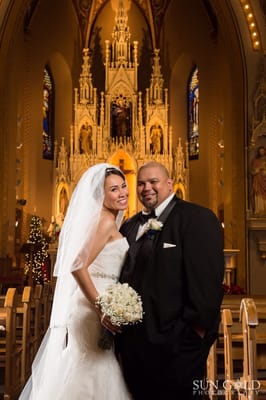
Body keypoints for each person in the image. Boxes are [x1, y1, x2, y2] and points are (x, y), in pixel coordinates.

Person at [19, 163, 132, 400]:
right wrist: (101, 305)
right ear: (101, 195)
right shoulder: (105, 221)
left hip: (92, 303)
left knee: (87, 366)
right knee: (95, 368)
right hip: (93, 308)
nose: (122, 192)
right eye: (113, 189)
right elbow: (77, 265)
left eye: (123, 185)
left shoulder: (105, 219)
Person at [115, 161, 224, 400]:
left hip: (179, 349)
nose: (147, 188)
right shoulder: (129, 226)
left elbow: (207, 284)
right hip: (135, 350)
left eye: (153, 182)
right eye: (141, 183)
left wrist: (194, 335)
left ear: (169, 184)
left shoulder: (197, 218)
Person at [251, 145, 266, 215]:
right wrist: (260, 169)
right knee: (258, 195)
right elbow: (253, 171)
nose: (262, 152)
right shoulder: (255, 160)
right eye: (260, 151)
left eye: (263, 151)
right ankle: (259, 210)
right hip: (258, 180)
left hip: (264, 179)